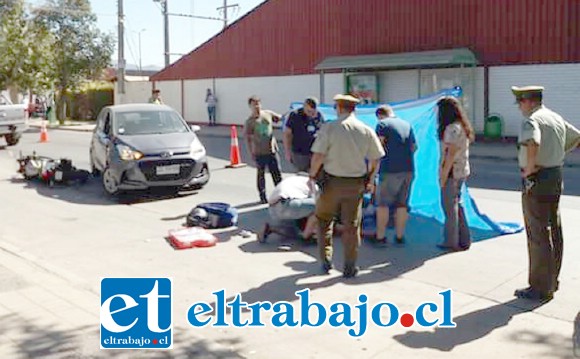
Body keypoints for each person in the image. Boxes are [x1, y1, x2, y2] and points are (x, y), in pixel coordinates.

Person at [511, 85, 580, 301]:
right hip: (554, 174)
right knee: (553, 229)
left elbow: (533, 141)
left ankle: (539, 287)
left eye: (521, 102)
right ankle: (552, 281)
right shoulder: (555, 117)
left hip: (538, 178)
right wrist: (556, 153)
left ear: (529, 101)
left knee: (538, 232)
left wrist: (530, 168)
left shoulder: (532, 120)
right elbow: (576, 137)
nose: (519, 107)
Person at [308, 94, 385, 278]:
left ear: (339, 108)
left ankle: (326, 260)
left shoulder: (330, 128)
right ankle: (350, 267)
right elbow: (376, 158)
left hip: (331, 182)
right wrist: (370, 179)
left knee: (324, 219)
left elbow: (318, 156)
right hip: (355, 184)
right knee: (352, 226)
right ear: (354, 109)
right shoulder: (365, 130)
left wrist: (312, 175)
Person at [372, 105, 417, 245]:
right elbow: (414, 147)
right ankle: (399, 236)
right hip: (408, 169)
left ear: (380, 115)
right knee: (402, 205)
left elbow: (377, 148)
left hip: (389, 169)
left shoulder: (382, 124)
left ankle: (380, 237)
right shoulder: (407, 124)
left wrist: (372, 172)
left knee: (383, 204)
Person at [437, 96, 474, 252]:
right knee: (457, 205)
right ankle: (464, 239)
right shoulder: (462, 126)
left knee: (449, 207)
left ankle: (451, 241)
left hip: (452, 171)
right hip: (462, 170)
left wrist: (443, 175)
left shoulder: (451, 129)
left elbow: (450, 154)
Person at [244, 95, 283, 204]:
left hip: (272, 150)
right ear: (250, 106)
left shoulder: (268, 114)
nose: (257, 106)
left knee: (277, 173)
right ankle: (262, 196)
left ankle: (280, 194)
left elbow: (280, 118)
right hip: (259, 152)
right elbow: (248, 139)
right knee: (261, 175)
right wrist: (251, 152)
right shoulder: (250, 122)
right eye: (254, 104)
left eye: (258, 103)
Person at [260, 174, 318, 244]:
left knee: (293, 229)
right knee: (320, 207)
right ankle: (306, 236)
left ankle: (270, 228)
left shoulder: (294, 180)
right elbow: (316, 201)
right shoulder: (312, 183)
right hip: (288, 204)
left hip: (273, 209)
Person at [283, 97, 325, 172]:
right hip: (300, 153)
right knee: (302, 175)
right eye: (309, 111)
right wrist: (287, 151)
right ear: (305, 106)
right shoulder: (295, 115)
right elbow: (287, 134)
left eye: (313, 112)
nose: (311, 114)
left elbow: (323, 131)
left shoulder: (319, 115)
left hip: (315, 152)